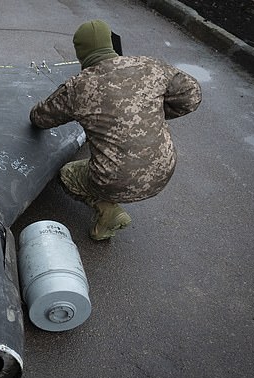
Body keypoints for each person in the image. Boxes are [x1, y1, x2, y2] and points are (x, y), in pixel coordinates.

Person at [30, 20, 202, 240]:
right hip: (164, 172)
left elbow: (40, 118)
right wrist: (152, 111)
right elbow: (192, 96)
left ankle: (107, 210)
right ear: (109, 44)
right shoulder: (150, 66)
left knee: (67, 175)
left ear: (81, 52)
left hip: (113, 180)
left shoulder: (78, 86)